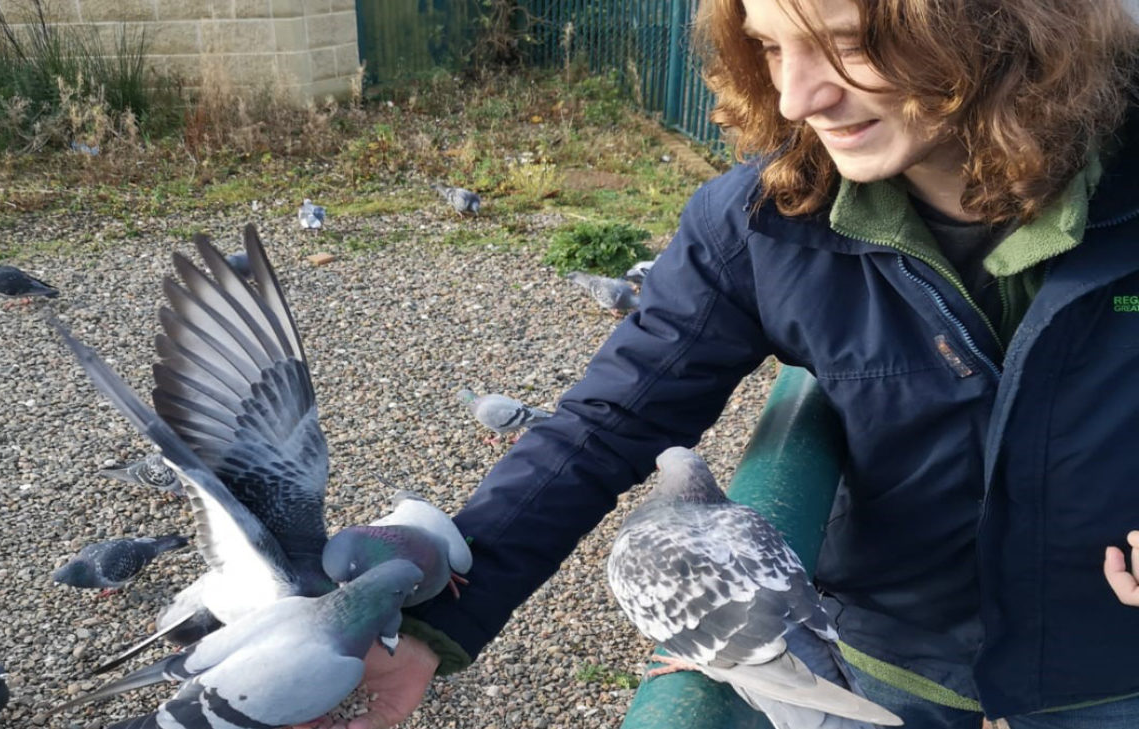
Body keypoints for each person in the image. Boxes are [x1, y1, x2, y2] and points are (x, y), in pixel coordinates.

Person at [307, 0, 1139, 727]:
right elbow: (606, 426)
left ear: (1000, 24)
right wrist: (424, 627)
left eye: (846, 43)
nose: (796, 97)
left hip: (1111, 677)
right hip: (878, 665)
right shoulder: (765, 218)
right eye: (773, 46)